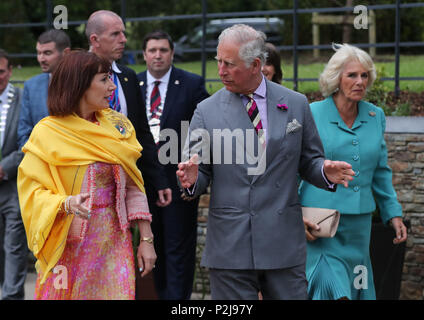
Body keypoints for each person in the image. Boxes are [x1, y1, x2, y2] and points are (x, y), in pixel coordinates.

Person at [176, 24, 355, 300]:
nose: (220, 70)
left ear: (256, 65)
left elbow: (310, 160)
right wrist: (190, 180)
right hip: (229, 248)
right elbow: (201, 174)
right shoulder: (205, 110)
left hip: (283, 243)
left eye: (229, 64)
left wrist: (324, 171)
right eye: (218, 61)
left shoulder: (295, 104)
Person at [17, 50, 156, 300]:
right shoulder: (48, 133)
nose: (112, 86)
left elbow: (134, 187)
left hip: (115, 242)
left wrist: (146, 239)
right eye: (104, 79)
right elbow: (32, 192)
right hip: (68, 245)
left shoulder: (118, 127)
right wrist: (65, 203)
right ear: (79, 85)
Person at [298, 43, 407, 300]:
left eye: (364, 75)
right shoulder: (311, 113)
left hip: (359, 226)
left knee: (355, 288)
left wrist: (393, 213)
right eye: (352, 75)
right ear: (336, 78)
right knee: (332, 290)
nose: (360, 81)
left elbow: (380, 171)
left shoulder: (375, 115)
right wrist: (291, 215)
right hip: (320, 223)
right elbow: (293, 168)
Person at [137, 30, 209, 300]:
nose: (157, 55)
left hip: (179, 182)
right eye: (152, 50)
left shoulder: (191, 84)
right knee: (151, 247)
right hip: (143, 184)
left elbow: (203, 132)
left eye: (163, 50)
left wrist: (194, 169)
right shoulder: (134, 84)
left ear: (172, 53)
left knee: (178, 250)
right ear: (144, 54)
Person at [86, 10, 172, 210]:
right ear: (95, 39)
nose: (123, 39)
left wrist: (158, 179)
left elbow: (141, 132)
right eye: (115, 34)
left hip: (127, 183)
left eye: (123, 33)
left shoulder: (128, 77)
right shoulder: (74, 75)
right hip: (88, 187)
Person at [0, 49, 26, 299]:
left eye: (1, 71)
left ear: (9, 71)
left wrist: (4, 167)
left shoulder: (21, 97)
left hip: (13, 187)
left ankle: (12, 296)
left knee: (14, 247)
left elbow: (27, 141)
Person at [17, 29, 71, 149]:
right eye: (38, 53)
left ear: (66, 53)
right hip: (39, 159)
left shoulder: (82, 82)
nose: (41, 59)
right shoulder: (31, 86)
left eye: (47, 53)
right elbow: (23, 133)